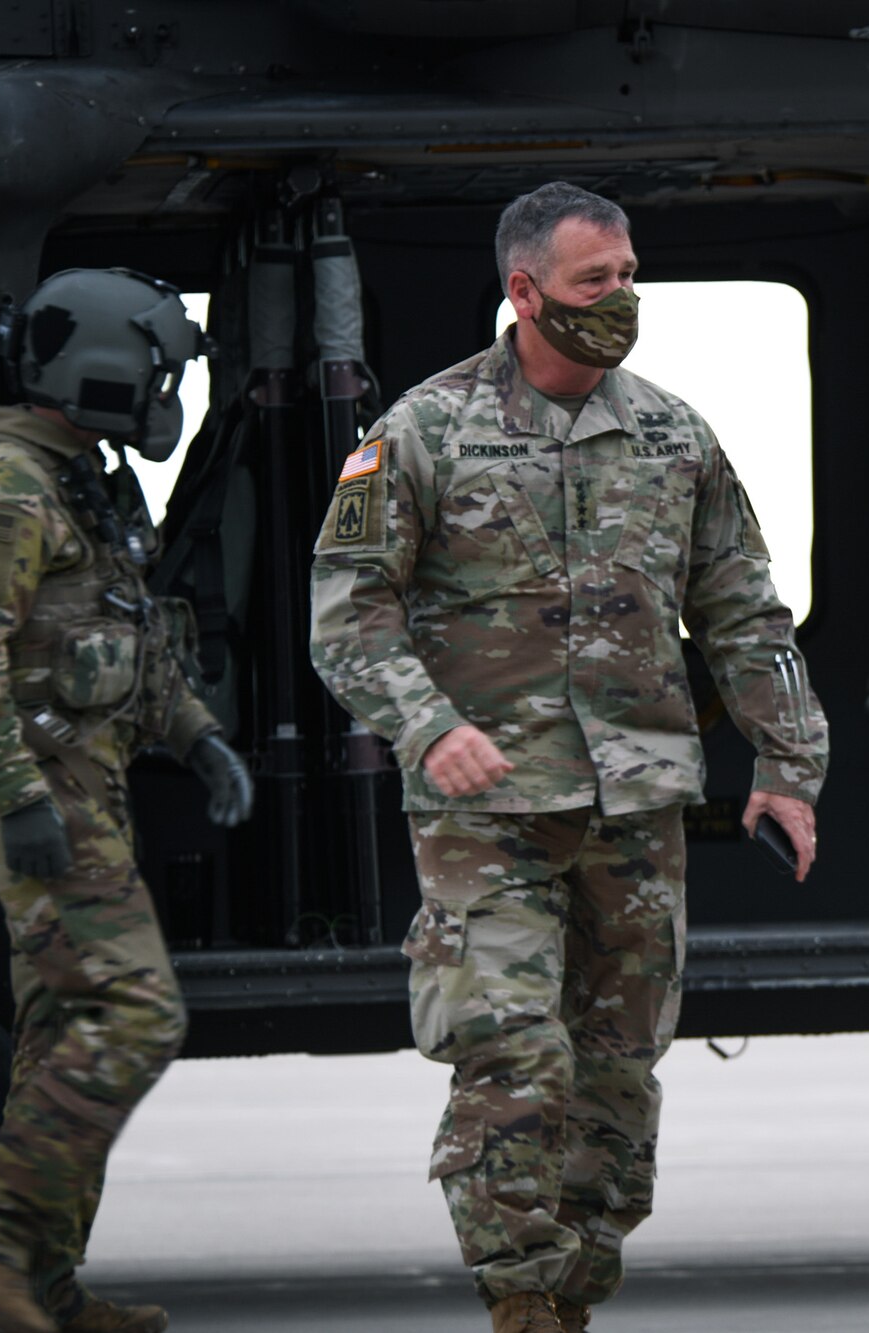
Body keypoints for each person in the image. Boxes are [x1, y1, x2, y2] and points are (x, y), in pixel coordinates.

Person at [309, 181, 826, 1333]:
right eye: (596, 282)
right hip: (487, 817)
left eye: (629, 276)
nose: (621, 298)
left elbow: (745, 615)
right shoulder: (422, 431)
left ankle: (572, 1292)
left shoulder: (671, 432)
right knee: (509, 1060)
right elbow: (348, 613)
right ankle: (519, 1302)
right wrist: (430, 727)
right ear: (525, 290)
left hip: (634, 812)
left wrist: (787, 768)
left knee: (615, 1084)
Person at [0, 268, 253, 1333]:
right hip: (43, 795)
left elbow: (134, 637)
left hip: (88, 787)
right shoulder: (4, 485)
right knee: (135, 1015)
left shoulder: (85, 483)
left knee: (63, 1037)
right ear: (98, 373)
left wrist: (196, 738)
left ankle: (48, 1294)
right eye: (154, 376)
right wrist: (16, 797)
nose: (163, 399)